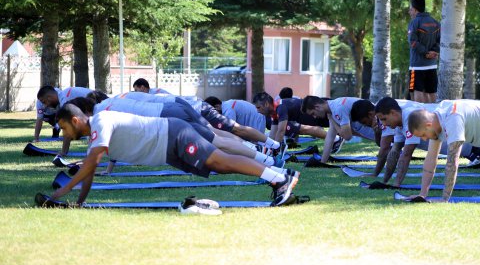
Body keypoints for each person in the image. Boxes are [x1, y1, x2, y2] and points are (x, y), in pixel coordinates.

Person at [45, 104, 298, 206]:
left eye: (65, 128)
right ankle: (280, 175)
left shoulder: (101, 121)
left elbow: (92, 163)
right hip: (168, 144)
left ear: (76, 120)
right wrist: (78, 203)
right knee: (221, 165)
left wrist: (60, 193)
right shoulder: (94, 137)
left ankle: (279, 179)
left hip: (172, 136)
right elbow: (89, 170)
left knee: (220, 160)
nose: (65, 134)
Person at [72, 96, 284, 171]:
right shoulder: (111, 102)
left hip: (170, 115)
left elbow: (102, 146)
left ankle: (268, 159)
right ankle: (265, 155)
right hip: (176, 106)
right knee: (218, 137)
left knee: (218, 143)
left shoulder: (102, 114)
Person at [302, 96, 375, 163]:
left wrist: (332, 120)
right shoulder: (333, 108)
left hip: (378, 126)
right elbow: (330, 137)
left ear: (317, 107)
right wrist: (322, 162)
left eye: (313, 113)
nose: (314, 117)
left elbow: (347, 136)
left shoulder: (337, 109)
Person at [34, 86, 93, 165]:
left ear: (49, 97)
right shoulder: (63, 95)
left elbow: (68, 129)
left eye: (45, 102)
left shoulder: (65, 99)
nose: (45, 106)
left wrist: (63, 152)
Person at [252, 92, 327, 144]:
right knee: (301, 130)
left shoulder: (280, 108)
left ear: (266, 104)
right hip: (311, 115)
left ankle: (336, 140)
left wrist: (275, 149)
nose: (258, 111)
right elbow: (273, 133)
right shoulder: (274, 110)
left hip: (318, 111)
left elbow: (281, 131)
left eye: (258, 107)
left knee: (303, 130)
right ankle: (335, 140)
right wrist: (269, 147)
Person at [407, 0, 440, 103]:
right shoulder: (435, 23)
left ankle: (419, 116)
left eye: (411, 9)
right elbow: (441, 40)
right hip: (432, 65)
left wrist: (426, 53)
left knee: (416, 91)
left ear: (415, 10)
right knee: (431, 92)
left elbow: (413, 41)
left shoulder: (414, 22)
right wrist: (434, 52)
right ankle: (431, 116)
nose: (409, 12)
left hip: (417, 66)